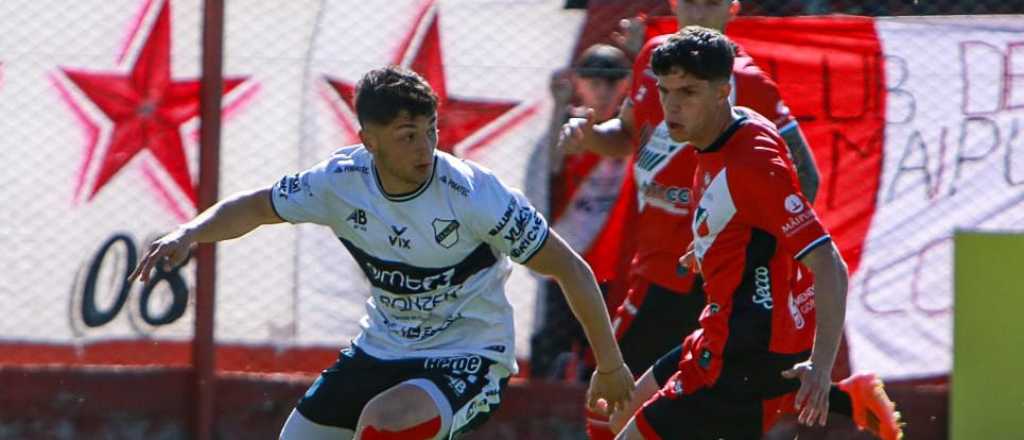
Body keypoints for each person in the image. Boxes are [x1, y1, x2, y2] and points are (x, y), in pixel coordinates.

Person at [127, 66, 635, 440]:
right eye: (407, 136)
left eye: (431, 131)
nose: (425, 148)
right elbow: (256, 207)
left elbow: (568, 266)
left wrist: (609, 365)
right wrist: (189, 233)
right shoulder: (339, 182)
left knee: (387, 424)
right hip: (380, 350)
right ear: (368, 141)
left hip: (467, 357)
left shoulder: (473, 194)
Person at [607, 27, 902, 440]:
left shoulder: (752, 163)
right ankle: (848, 400)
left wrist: (819, 367)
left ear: (722, 91)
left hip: (746, 353)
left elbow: (830, 264)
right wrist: (712, 245)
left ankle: (833, 394)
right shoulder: (732, 129)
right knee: (619, 414)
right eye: (665, 91)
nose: (672, 106)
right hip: (724, 329)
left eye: (688, 92)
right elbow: (752, 218)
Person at [560, 1, 821, 438]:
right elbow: (627, 134)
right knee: (609, 405)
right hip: (659, 269)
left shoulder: (747, 82)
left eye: (712, 0)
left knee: (701, 416)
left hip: (722, 283)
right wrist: (590, 136)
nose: (700, 7)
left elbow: (804, 177)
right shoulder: (654, 60)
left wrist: (750, 241)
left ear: (733, 8)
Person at [531, 44, 632, 380]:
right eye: (594, 81)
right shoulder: (569, 128)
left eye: (612, 81)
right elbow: (548, 173)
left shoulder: (631, 131)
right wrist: (558, 106)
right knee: (554, 344)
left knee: (606, 350)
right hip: (568, 257)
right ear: (579, 83)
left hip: (614, 265)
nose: (602, 90)